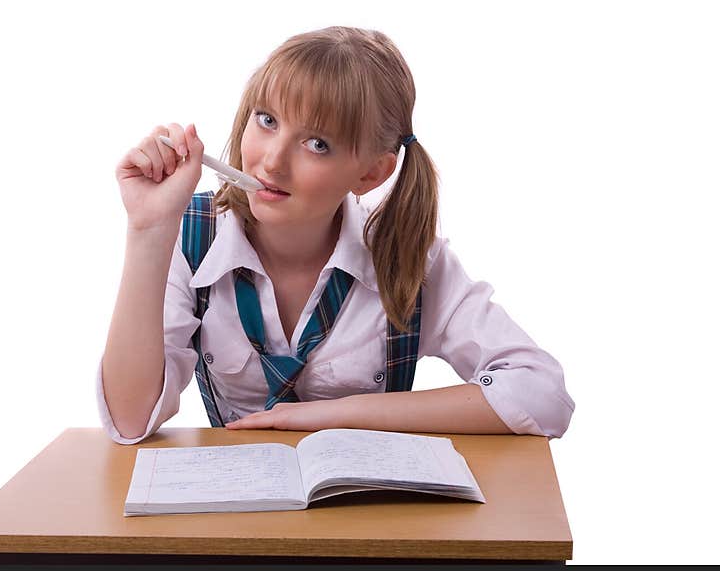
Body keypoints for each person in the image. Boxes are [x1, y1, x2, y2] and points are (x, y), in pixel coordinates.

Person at [98, 26, 574, 444]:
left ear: (370, 173)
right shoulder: (192, 236)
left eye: (317, 143)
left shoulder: (407, 256)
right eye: (267, 120)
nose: (272, 160)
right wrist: (149, 229)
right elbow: (130, 420)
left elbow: (542, 393)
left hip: (368, 526)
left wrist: (328, 416)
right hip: (236, 518)